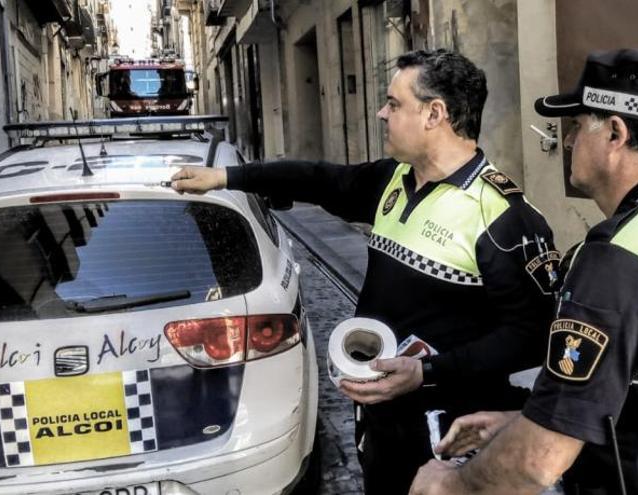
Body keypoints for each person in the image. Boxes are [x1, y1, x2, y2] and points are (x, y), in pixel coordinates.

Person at [169, 49, 559, 495]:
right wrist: (226, 178)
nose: (381, 113)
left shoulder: (504, 217)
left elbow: (534, 336)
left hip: (453, 438)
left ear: (435, 114)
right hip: (382, 424)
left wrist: (428, 371)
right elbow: (319, 178)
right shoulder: (393, 180)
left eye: (394, 104)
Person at [409, 48, 638, 495]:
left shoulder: (619, 258)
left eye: (577, 126)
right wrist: (521, 421)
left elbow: (539, 461)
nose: (570, 141)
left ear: (615, 132)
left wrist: (450, 484)